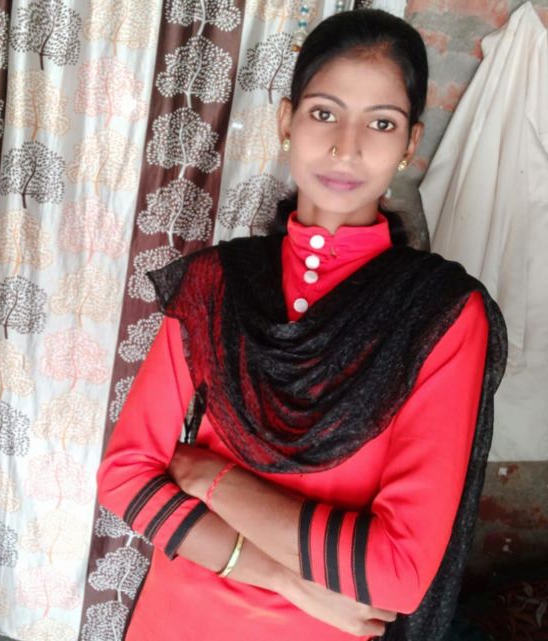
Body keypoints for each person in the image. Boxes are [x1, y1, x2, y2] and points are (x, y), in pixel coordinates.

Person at [97, 9, 508, 641]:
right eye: (324, 113)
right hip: (175, 620)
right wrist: (286, 579)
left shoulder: (440, 315)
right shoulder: (216, 283)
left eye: (381, 123)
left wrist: (208, 476)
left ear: (410, 143)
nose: (347, 146)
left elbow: (397, 574)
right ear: (287, 122)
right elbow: (124, 478)